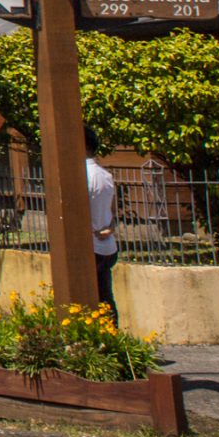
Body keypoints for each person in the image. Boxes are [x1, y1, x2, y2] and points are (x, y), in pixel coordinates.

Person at [84, 126, 120, 312]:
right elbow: (112, 210)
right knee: (105, 296)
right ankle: (111, 327)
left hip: (90, 248)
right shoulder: (106, 176)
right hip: (107, 246)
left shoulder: (81, 176)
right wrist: (110, 228)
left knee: (91, 300)